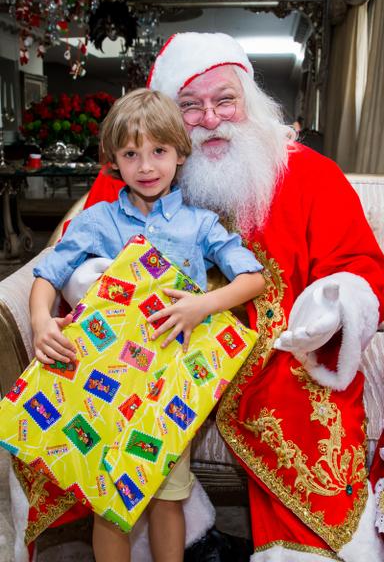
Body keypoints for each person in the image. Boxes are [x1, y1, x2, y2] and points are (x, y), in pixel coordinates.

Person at [67, 33, 384, 561]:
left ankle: (297, 548)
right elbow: (77, 256)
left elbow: (359, 265)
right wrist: (96, 280)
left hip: (275, 353)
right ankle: (183, 536)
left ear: (250, 102)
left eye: (224, 100)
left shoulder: (308, 173)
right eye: (190, 106)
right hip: (162, 348)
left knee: (303, 401)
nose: (210, 118)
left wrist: (333, 303)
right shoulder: (140, 171)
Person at [29, 87, 265, 562]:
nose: (147, 166)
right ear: (114, 160)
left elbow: (253, 277)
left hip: (171, 384)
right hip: (105, 382)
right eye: (131, 154)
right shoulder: (97, 220)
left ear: (180, 152)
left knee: (168, 495)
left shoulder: (200, 224)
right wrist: (39, 321)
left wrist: (203, 305)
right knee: (107, 501)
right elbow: (47, 273)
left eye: (159, 151)